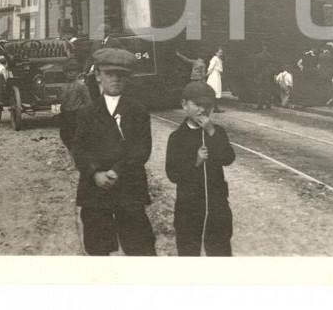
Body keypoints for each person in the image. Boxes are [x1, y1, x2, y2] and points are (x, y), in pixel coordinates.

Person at [72, 48, 156, 256]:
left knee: (140, 248)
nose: (115, 79)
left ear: (128, 78)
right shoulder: (88, 112)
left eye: (121, 75)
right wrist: (94, 173)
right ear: (98, 75)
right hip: (95, 190)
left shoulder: (137, 111)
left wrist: (117, 171)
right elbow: (79, 149)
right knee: (97, 248)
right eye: (109, 74)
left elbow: (142, 149)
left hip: (129, 186)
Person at [165, 82, 236, 256]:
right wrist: (195, 162)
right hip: (188, 207)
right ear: (184, 104)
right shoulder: (177, 137)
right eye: (197, 105)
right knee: (188, 250)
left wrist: (211, 131)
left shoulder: (216, 132)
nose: (203, 110)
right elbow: (172, 174)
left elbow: (228, 158)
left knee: (220, 249)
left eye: (208, 106)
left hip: (216, 204)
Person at [59, 59, 91, 155]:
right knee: (66, 137)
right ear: (65, 73)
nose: (71, 74)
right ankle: (72, 157)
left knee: (78, 138)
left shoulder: (81, 85)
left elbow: (88, 101)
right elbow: (62, 101)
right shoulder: (64, 86)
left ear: (77, 73)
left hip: (77, 114)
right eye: (68, 72)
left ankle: (79, 159)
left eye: (73, 72)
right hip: (67, 115)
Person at [253, 42, 275, 110]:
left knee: (260, 90)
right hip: (268, 76)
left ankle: (260, 105)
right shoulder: (270, 56)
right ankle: (268, 105)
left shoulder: (258, 55)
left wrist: (255, 75)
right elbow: (272, 66)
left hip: (261, 75)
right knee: (268, 90)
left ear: (262, 48)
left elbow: (255, 66)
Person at [206, 48, 225, 112]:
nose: (221, 54)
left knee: (216, 91)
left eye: (221, 53)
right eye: (219, 52)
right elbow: (211, 68)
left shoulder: (219, 59)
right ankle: (213, 107)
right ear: (216, 52)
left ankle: (215, 107)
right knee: (214, 90)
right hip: (214, 76)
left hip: (217, 75)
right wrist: (207, 75)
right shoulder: (214, 59)